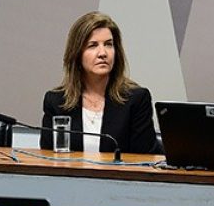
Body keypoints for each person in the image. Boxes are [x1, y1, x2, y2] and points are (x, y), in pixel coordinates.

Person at [41, 11, 157, 154]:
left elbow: (144, 159)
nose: (103, 53)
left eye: (108, 44)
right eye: (93, 45)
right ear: (77, 53)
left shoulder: (136, 99)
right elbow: (46, 159)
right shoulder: (56, 101)